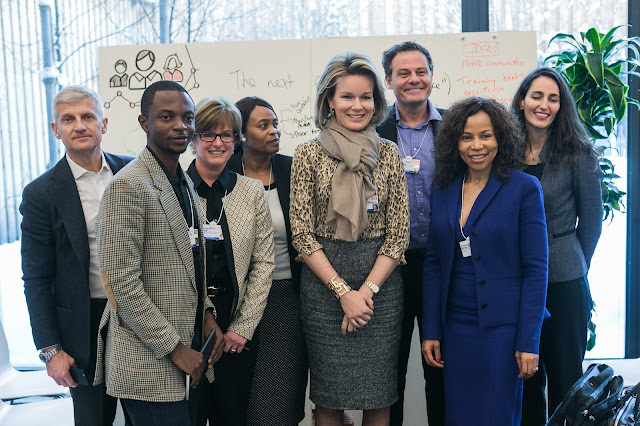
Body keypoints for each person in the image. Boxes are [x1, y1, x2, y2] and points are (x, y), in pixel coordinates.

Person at [290, 52, 410, 425]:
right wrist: (344, 292)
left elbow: (398, 232)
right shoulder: (307, 154)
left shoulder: (389, 153)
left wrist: (365, 293)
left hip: (381, 290)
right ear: (329, 100)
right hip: (325, 289)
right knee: (328, 398)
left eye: (366, 97)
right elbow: (301, 232)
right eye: (347, 97)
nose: (357, 106)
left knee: (379, 397)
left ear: (376, 101)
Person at [95, 81, 223, 425]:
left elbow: (193, 264)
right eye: (167, 117)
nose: (180, 126)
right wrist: (176, 350)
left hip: (192, 358)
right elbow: (122, 286)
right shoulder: (128, 186)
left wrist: (208, 314)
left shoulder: (183, 183)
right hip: (150, 365)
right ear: (143, 122)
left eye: (187, 117)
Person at [421, 97, 549, 425]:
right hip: (455, 328)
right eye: (467, 137)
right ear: (455, 142)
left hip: (504, 331)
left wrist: (528, 341)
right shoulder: (444, 189)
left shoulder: (524, 188)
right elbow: (434, 263)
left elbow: (536, 270)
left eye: (486, 135)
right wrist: (432, 329)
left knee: (497, 415)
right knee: (459, 416)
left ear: (500, 139)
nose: (476, 145)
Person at [20, 85, 132, 426]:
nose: (79, 126)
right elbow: (36, 278)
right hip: (82, 327)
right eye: (68, 119)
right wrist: (51, 350)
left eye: (87, 116)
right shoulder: (41, 193)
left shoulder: (133, 174)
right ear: (56, 130)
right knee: (93, 419)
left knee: (148, 417)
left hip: (138, 318)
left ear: (104, 124)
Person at [512, 67, 603, 425]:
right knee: (524, 378)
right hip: (516, 281)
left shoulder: (578, 153)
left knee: (566, 380)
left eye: (553, 98)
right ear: (522, 100)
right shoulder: (504, 150)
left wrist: (574, 261)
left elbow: (592, 224)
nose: (544, 105)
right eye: (537, 96)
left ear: (561, 106)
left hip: (564, 280)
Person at [187, 97, 275, 426]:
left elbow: (263, 263)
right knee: (191, 415)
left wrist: (242, 328)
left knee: (232, 416)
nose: (218, 143)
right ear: (193, 140)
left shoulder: (251, 191)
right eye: (208, 134)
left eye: (227, 135)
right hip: (188, 323)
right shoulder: (174, 191)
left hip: (237, 322)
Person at [376, 40, 445, 426]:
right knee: (391, 374)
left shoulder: (455, 127)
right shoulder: (374, 130)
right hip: (391, 269)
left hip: (446, 266)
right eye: (403, 73)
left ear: (431, 76)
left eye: (421, 71)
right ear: (389, 80)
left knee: (442, 369)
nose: (414, 79)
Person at [230, 96, 307, 426]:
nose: (274, 131)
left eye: (276, 124)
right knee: (243, 399)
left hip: (288, 298)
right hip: (239, 302)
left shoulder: (293, 169)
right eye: (263, 125)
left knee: (282, 396)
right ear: (241, 134)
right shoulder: (225, 174)